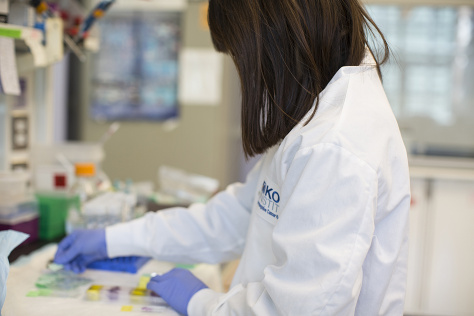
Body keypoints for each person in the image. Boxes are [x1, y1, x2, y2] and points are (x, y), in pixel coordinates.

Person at [54, 0, 411, 315]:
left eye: (242, 59)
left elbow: (296, 311)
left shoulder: (336, 146)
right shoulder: (317, 112)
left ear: (272, 42)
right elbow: (235, 217)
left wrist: (201, 302)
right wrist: (115, 240)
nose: (246, 77)